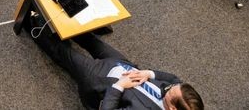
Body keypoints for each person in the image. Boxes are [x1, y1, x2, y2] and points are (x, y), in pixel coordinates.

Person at [36, 29, 204, 110]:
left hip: (102, 80)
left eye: (172, 91)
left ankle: (32, 24)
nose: (171, 86)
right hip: (123, 64)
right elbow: (174, 80)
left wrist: (119, 86)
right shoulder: (179, 92)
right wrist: (149, 73)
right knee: (90, 39)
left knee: (65, 53)